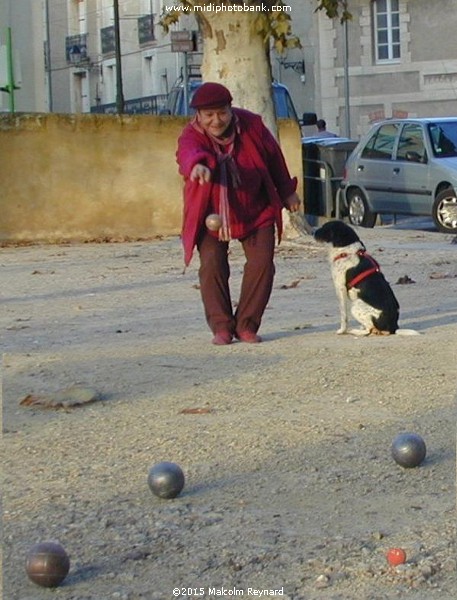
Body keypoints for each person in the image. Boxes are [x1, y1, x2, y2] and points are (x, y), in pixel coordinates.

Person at [176, 82, 301, 345]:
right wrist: (197, 165)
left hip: (256, 206)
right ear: (198, 115)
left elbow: (274, 157)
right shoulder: (191, 134)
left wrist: (287, 191)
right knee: (211, 265)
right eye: (208, 115)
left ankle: (246, 324)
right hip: (211, 211)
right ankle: (221, 326)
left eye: (221, 112)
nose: (216, 120)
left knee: (262, 264)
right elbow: (188, 153)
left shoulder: (252, 126)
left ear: (231, 110)